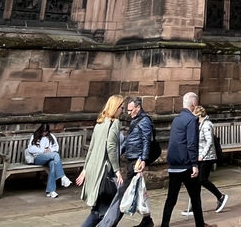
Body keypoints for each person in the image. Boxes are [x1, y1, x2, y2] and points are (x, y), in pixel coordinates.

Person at [157, 92, 216, 227]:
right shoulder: (191, 120)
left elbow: (174, 142)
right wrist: (194, 164)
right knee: (195, 198)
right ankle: (200, 224)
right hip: (187, 165)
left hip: (174, 164)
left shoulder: (176, 119)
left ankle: (164, 224)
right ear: (194, 104)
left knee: (171, 198)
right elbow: (191, 143)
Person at [103, 96, 154, 227]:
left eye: (131, 110)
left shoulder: (144, 121)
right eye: (128, 110)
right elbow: (129, 140)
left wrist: (143, 159)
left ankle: (110, 223)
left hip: (136, 161)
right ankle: (147, 220)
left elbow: (147, 141)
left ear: (138, 108)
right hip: (131, 158)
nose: (129, 113)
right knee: (137, 190)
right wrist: (119, 153)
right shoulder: (135, 120)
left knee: (123, 192)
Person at [75, 95, 125, 227]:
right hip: (104, 172)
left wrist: (86, 169)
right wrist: (117, 170)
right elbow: (111, 147)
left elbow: (91, 148)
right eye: (121, 107)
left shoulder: (100, 122)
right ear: (116, 107)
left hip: (93, 170)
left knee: (101, 208)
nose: (123, 110)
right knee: (103, 210)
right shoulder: (115, 123)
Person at [181, 106, 228, 217]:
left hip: (207, 158)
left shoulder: (206, 125)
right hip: (200, 157)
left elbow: (209, 142)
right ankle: (194, 206)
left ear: (198, 115)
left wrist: (202, 155)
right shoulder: (199, 125)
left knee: (202, 180)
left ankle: (220, 197)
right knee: (195, 182)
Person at [25, 122, 72, 198]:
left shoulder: (51, 136)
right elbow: (30, 148)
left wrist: (50, 150)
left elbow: (56, 147)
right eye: (43, 132)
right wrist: (42, 151)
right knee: (56, 155)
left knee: (53, 164)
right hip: (38, 158)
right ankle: (62, 176)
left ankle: (51, 191)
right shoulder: (35, 136)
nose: (44, 133)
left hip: (49, 157)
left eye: (46, 132)